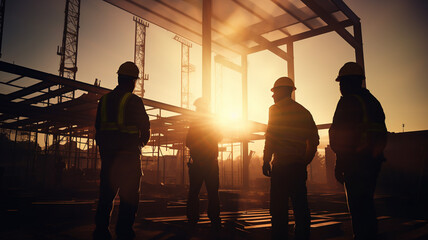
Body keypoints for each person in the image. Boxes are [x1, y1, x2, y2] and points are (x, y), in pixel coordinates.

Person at [329, 62, 387, 240]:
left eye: (342, 82)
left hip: (354, 163)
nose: (340, 87)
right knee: (367, 203)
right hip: (372, 162)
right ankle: (370, 235)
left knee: (357, 205)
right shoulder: (373, 102)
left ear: (350, 82)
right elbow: (382, 134)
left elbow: (340, 135)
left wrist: (340, 163)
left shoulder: (348, 101)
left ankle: (362, 236)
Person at [93, 61, 150, 240]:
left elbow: (98, 129)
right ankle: (124, 233)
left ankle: (101, 232)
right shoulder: (133, 101)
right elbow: (145, 129)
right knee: (128, 200)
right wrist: (138, 146)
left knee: (105, 198)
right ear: (133, 81)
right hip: (129, 160)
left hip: (109, 159)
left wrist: (106, 150)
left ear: (118, 77)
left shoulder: (104, 100)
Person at [263, 77, 319, 240]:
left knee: (278, 210)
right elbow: (314, 140)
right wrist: (304, 161)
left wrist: (266, 160)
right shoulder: (303, 112)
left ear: (281, 91)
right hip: (297, 168)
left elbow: (271, 136)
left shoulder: (275, 109)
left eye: (274, 92)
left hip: (281, 168)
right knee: (301, 209)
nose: (272, 96)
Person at [186, 98, 222, 230]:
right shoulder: (212, 121)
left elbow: (188, 142)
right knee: (212, 192)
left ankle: (192, 219)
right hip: (210, 163)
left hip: (198, 163)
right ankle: (214, 219)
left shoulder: (195, 123)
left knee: (194, 192)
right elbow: (219, 137)